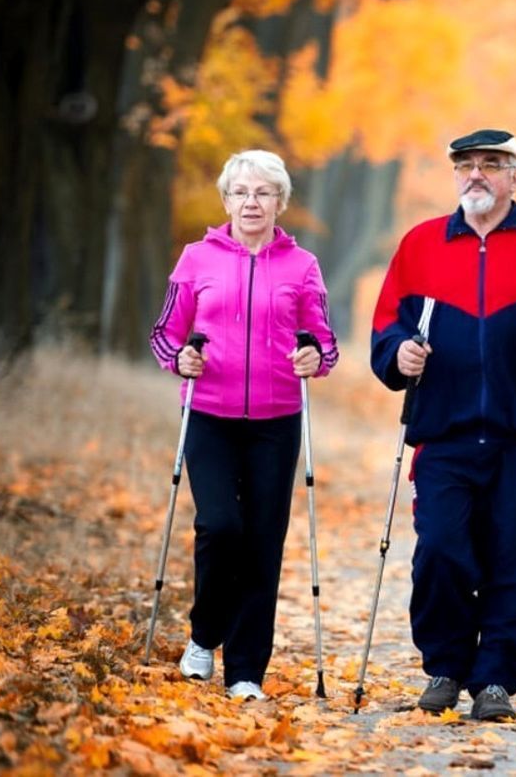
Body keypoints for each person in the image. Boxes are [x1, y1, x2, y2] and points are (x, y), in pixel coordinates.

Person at [370, 128, 516, 721]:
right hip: (442, 435)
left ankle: (495, 680)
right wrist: (398, 354)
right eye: (466, 165)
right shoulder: (421, 244)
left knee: (515, 560)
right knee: (441, 552)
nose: (477, 175)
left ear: (514, 177)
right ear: (455, 176)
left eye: (491, 165)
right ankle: (445, 668)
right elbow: (386, 327)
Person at [150, 149, 338, 700]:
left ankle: (247, 671)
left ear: (281, 202)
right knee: (220, 527)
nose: (251, 202)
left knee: (262, 541)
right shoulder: (195, 259)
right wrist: (180, 359)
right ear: (226, 199)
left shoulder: (301, 266)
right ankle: (205, 636)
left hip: (277, 421)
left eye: (263, 193)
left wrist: (315, 359)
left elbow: (324, 341)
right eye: (241, 192)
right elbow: (165, 333)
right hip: (208, 413)